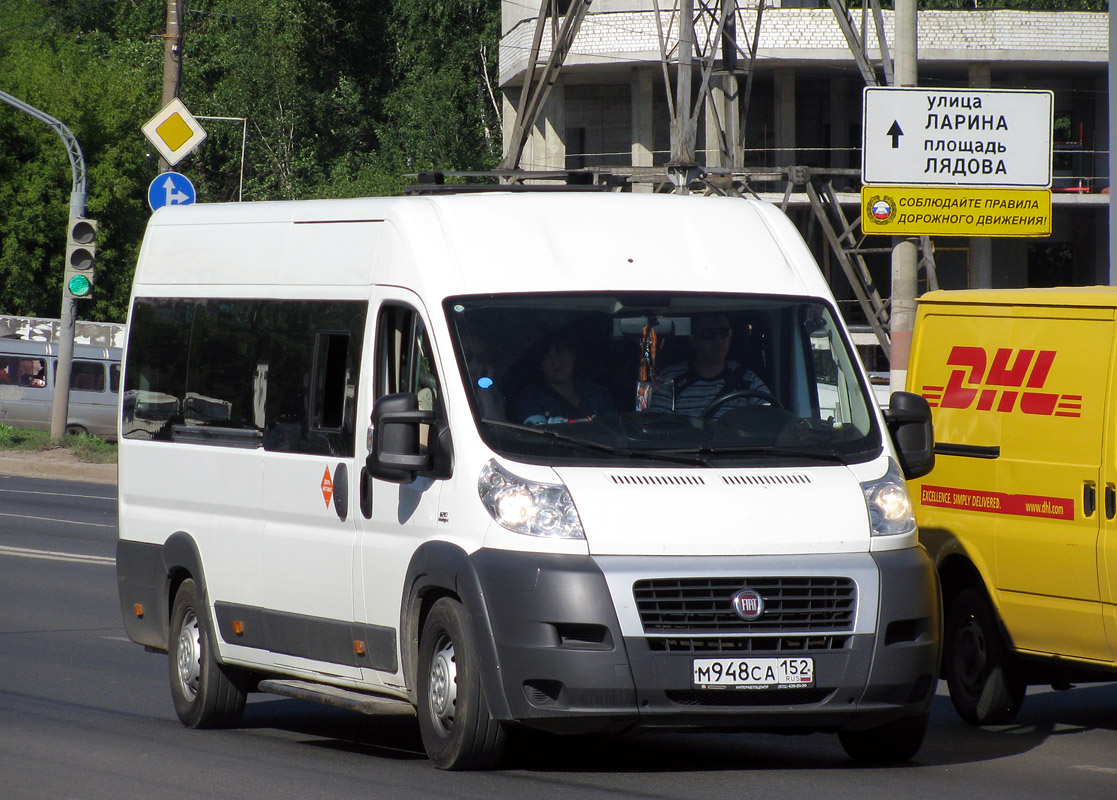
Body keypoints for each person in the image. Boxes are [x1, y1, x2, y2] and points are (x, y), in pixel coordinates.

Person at [648, 312, 771, 418]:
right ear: (694, 341)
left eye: (724, 332)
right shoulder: (670, 379)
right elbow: (660, 429)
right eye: (709, 334)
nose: (718, 340)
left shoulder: (746, 378)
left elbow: (769, 417)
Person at [512, 336, 615, 425]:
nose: (556, 361)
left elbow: (614, 434)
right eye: (547, 357)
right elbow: (538, 440)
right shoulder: (531, 400)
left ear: (573, 355)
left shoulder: (598, 395)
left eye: (560, 353)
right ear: (540, 365)